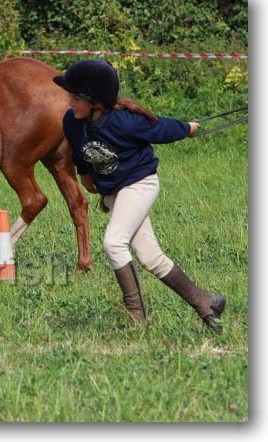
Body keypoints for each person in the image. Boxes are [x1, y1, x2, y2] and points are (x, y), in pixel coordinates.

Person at [53, 59, 226, 332]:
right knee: (150, 256)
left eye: (75, 98)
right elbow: (80, 153)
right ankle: (207, 302)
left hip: (139, 184)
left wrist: (187, 128)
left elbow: (160, 128)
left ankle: (137, 318)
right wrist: (86, 177)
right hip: (115, 193)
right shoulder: (72, 122)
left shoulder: (124, 121)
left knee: (114, 243)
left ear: (95, 102)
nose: (69, 103)